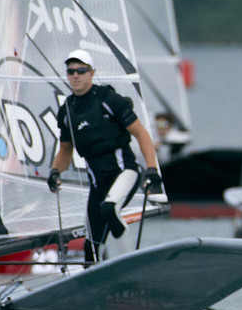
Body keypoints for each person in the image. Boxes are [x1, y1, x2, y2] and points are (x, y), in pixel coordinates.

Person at [46, 49, 162, 262]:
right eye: (71, 71)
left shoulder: (109, 99)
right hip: (98, 184)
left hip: (125, 172)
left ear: (92, 73)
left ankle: (129, 263)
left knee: (109, 209)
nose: (75, 75)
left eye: (81, 70)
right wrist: (54, 171)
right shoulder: (67, 111)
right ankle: (93, 273)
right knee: (90, 246)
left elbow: (141, 134)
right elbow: (65, 150)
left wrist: (152, 169)